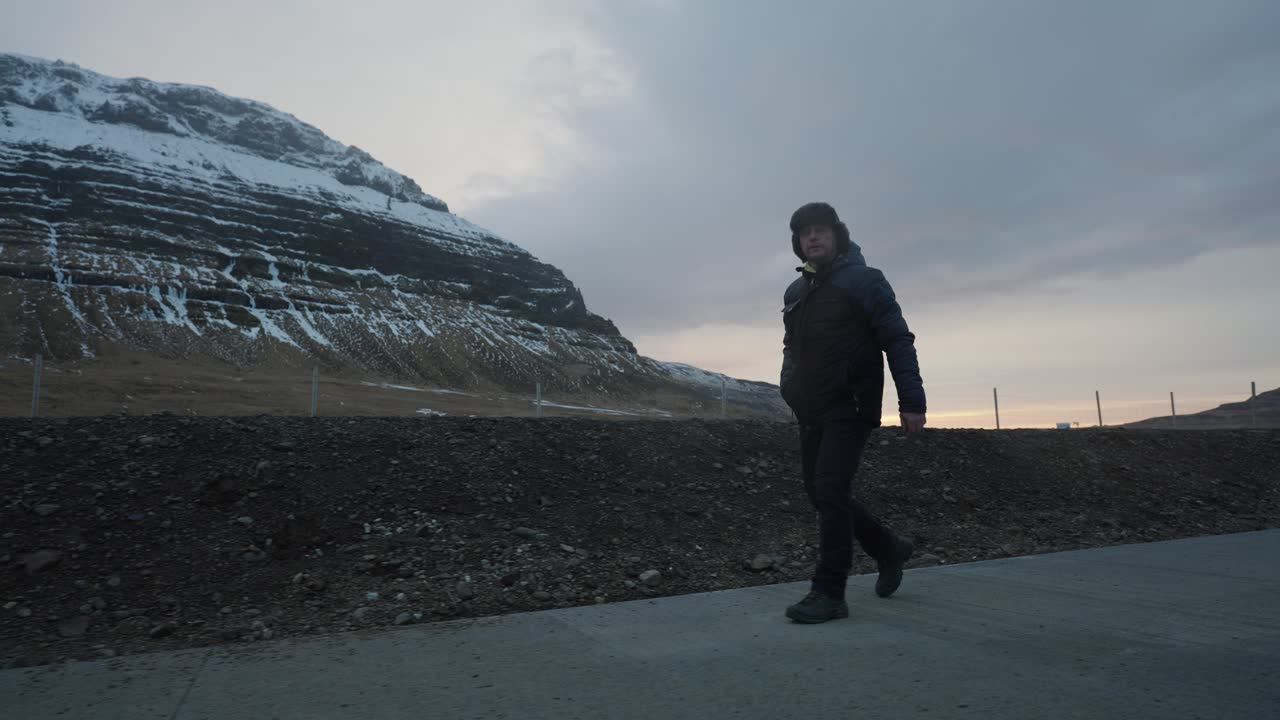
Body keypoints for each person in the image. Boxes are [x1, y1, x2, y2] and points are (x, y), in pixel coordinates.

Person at [779, 201, 927, 624]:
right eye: (806, 232)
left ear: (837, 235)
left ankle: (829, 593)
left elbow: (897, 338)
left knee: (828, 488)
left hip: (852, 404)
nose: (813, 237)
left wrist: (912, 401)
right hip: (811, 409)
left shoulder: (864, 281)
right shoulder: (797, 291)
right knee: (822, 493)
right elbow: (791, 348)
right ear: (798, 243)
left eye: (821, 230)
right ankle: (888, 548)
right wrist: (789, 386)